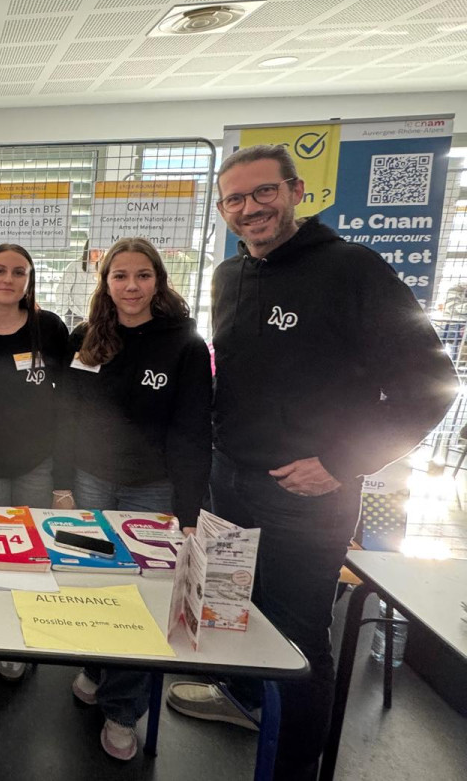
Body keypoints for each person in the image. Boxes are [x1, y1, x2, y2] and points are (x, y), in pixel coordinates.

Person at [164, 144, 457, 780]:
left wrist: (345, 462)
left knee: (298, 633)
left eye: (263, 192)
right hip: (230, 479)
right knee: (234, 607)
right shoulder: (228, 275)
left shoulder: (352, 269)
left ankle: (295, 765)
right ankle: (242, 698)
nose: (250, 209)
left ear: (297, 192)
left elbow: (432, 383)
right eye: (235, 200)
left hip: (309, 493)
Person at [59, 237, 212, 761]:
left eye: (142, 275)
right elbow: (66, 421)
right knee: (98, 586)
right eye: (119, 276)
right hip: (91, 483)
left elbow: (192, 434)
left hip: (151, 489)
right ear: (105, 284)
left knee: (143, 602)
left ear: (159, 281)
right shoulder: (85, 339)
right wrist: (63, 484)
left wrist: (189, 513)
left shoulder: (185, 345)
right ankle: (99, 667)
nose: (130, 286)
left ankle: (123, 709)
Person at [0, 242, 68, 681]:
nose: (8, 279)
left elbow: (69, 404)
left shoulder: (51, 329)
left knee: (29, 557)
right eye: (0, 271)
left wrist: (61, 477)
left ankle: (21, 643)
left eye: (19, 272)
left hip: (35, 464)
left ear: (29, 281)